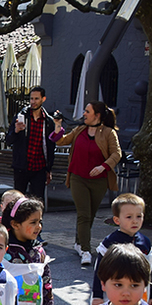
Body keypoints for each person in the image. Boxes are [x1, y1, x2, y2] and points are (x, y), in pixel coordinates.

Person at [51, 101, 123, 266]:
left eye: (87, 111)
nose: (84, 114)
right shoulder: (79, 130)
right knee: (84, 214)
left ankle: (79, 242)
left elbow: (116, 154)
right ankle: (85, 250)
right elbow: (60, 141)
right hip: (78, 178)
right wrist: (58, 125)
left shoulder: (108, 133)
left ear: (97, 115)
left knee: (89, 214)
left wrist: (103, 166)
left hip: (99, 181)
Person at [92, 193, 152, 305]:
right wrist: (97, 296)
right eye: (129, 217)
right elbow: (99, 271)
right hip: (115, 296)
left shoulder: (145, 242)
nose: (135, 221)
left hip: (139, 295)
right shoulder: (110, 242)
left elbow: (150, 271)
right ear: (117, 220)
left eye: (139, 216)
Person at [5, 86, 54, 202]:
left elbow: (51, 146)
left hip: (39, 167)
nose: (33, 102)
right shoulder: (21, 116)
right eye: (31, 98)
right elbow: (8, 140)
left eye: (36, 99)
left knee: (37, 201)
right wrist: (16, 131)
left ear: (43, 99)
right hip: (22, 166)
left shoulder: (48, 121)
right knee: (18, 200)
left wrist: (49, 169)